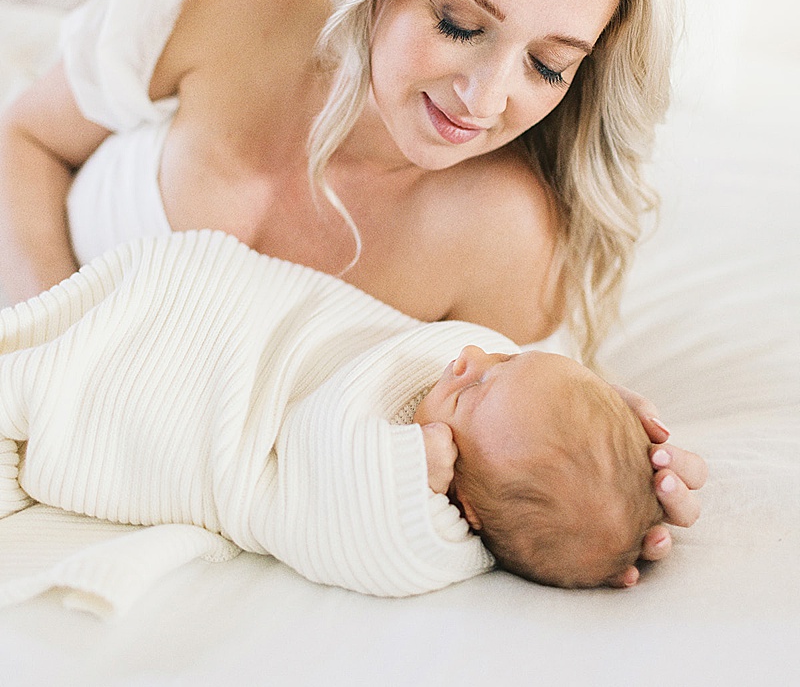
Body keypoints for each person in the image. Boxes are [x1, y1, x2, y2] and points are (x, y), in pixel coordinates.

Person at [0, 0, 706, 581]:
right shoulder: (246, 5)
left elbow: (507, 472)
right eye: (460, 23)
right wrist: (50, 368)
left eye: (548, 65)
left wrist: (618, 488)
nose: (485, 99)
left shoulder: (503, 239)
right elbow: (24, 135)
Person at [0, 230, 660, 600]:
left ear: (471, 507)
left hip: (195, 396)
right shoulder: (474, 394)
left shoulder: (425, 540)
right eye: (504, 360)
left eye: (473, 390)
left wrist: (407, 469)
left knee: (51, 379)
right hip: (208, 307)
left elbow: (346, 512)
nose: (467, 357)